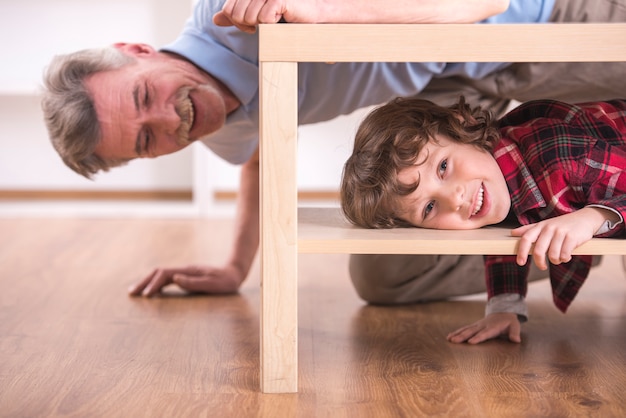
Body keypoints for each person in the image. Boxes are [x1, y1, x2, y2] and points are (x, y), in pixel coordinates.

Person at [41, 0, 626, 302]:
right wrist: (235, 267)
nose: (172, 119)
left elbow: (481, 4)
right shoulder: (209, 123)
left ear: (138, 49)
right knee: (385, 275)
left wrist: (321, 15)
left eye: (147, 95)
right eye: (148, 140)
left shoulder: (232, 12)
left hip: (541, 22)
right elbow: (259, 156)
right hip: (452, 96)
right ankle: (567, 247)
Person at [340, 96, 626, 344]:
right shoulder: (496, 180)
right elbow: (504, 240)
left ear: (462, 126)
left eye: (443, 167)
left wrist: (591, 217)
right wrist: (504, 307)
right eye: (429, 208)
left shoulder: (561, 157)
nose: (455, 199)